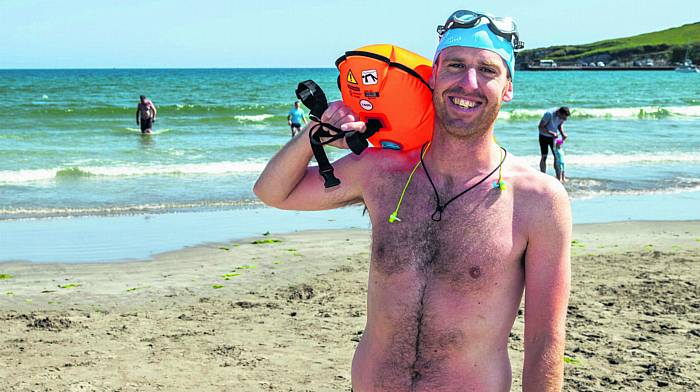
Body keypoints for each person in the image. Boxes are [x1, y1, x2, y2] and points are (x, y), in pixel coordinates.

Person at [254, 9, 571, 391]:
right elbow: (273, 192)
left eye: (487, 70)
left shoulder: (537, 200)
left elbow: (543, 342)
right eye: (455, 65)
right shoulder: (381, 171)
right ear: (433, 75)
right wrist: (315, 133)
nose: (468, 83)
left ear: (507, 88)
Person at [538, 106, 570, 178]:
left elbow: (559, 125)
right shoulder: (549, 114)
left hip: (554, 138)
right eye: (563, 117)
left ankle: (558, 177)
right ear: (559, 113)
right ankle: (543, 176)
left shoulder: (561, 116)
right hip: (544, 137)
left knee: (557, 157)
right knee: (544, 156)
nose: (563, 119)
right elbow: (540, 127)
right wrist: (551, 133)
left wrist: (562, 134)